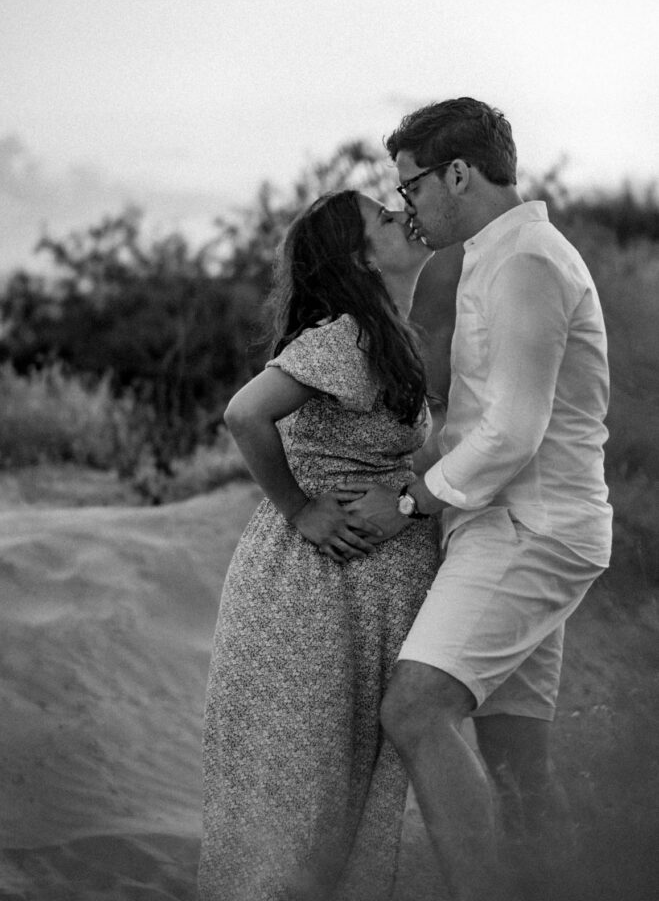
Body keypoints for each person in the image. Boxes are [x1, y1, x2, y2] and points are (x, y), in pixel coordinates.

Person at [337, 98, 613, 900]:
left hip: (527, 528)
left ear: (457, 173)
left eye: (412, 186)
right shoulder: (499, 256)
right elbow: (476, 421)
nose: (408, 205)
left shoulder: (525, 261)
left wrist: (409, 502)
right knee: (517, 759)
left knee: (415, 711)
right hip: (521, 525)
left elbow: (514, 431)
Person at [197, 190, 441, 901]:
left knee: (342, 809)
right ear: (361, 260)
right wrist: (300, 508)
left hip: (359, 606)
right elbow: (244, 413)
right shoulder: (348, 337)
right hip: (312, 601)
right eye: (384, 219)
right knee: (300, 810)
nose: (404, 217)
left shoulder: (388, 336)